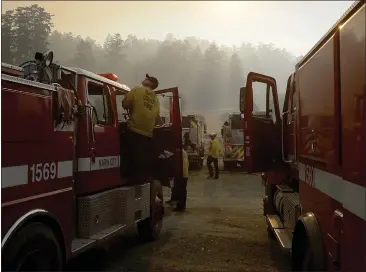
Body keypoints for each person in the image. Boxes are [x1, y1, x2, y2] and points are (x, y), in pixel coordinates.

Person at [122, 74, 160, 184]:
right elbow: (156, 115)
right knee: (141, 156)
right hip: (148, 132)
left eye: (147, 78)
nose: (145, 79)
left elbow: (125, 105)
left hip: (134, 128)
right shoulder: (156, 98)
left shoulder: (136, 90)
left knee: (128, 153)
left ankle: (128, 177)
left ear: (151, 83)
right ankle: (141, 178)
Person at [174, 146, 189, 211]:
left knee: (180, 190)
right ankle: (182, 205)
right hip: (185, 174)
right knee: (183, 190)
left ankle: (180, 206)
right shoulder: (184, 153)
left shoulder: (179, 154)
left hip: (181, 174)